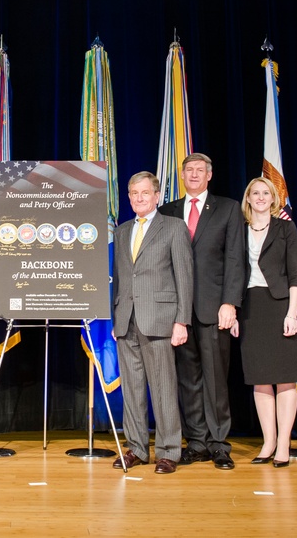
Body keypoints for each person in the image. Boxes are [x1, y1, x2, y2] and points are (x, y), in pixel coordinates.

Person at [158, 153, 245, 470]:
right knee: (188, 379)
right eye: (188, 170)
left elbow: (236, 259)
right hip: (177, 312)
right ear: (181, 176)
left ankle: (219, 443)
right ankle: (196, 442)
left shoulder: (228, 208)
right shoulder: (166, 211)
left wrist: (230, 302)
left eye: (199, 170)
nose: (194, 174)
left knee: (215, 379)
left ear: (209, 175)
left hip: (214, 308)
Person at [112, 172, 193, 475]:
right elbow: (120, 279)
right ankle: (136, 448)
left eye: (145, 193)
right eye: (134, 193)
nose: (139, 198)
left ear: (157, 195)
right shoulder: (121, 232)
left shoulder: (173, 228)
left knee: (163, 388)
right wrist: (116, 315)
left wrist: (181, 321)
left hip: (159, 320)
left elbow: (185, 279)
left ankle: (169, 451)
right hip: (126, 321)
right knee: (132, 390)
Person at [231, 177, 297, 468]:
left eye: (266, 193)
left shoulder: (286, 228)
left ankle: (284, 444)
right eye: (255, 193)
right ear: (247, 198)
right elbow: (233, 274)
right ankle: (268, 442)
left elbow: (296, 274)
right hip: (251, 308)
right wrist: (234, 310)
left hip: (280, 306)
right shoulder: (239, 230)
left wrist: (292, 313)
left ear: (273, 198)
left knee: (285, 377)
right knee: (260, 380)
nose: (260, 197)